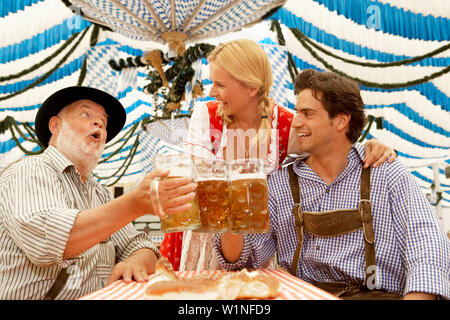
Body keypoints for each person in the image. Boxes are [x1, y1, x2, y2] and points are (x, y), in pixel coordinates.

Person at [159, 39, 397, 272]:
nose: (212, 91)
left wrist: (369, 144)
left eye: (220, 84)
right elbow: (193, 182)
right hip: (200, 238)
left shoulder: (284, 124)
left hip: (252, 247)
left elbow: (330, 144)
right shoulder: (207, 115)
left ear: (252, 88)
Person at [214, 69, 450, 300]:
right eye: (297, 112)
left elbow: (428, 245)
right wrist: (238, 184)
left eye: (307, 113)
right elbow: (241, 259)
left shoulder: (385, 171)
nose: (295, 122)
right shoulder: (279, 183)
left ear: (341, 121)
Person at [0, 86, 197, 300]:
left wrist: (135, 262)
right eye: (85, 114)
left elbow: (142, 246)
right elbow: (48, 243)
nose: (100, 124)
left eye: (103, 121)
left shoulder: (99, 193)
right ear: (55, 125)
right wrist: (134, 205)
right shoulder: (28, 171)